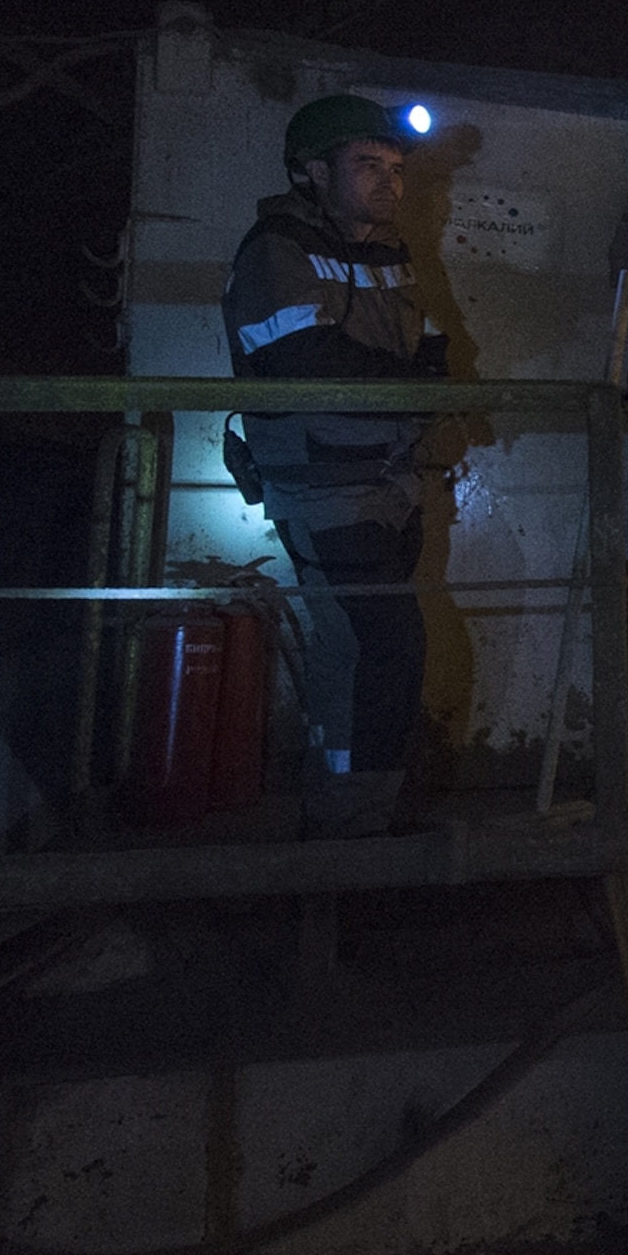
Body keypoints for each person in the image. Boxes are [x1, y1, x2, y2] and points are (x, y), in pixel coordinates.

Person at [220, 93, 448, 837]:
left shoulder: (387, 251)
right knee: (386, 644)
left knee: (356, 650)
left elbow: (428, 342)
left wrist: (430, 374)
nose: (390, 182)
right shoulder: (276, 250)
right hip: (323, 485)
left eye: (396, 168)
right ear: (314, 173)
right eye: (368, 164)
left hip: (391, 480)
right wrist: (415, 384)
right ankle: (355, 824)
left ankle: (347, 813)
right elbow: (303, 358)